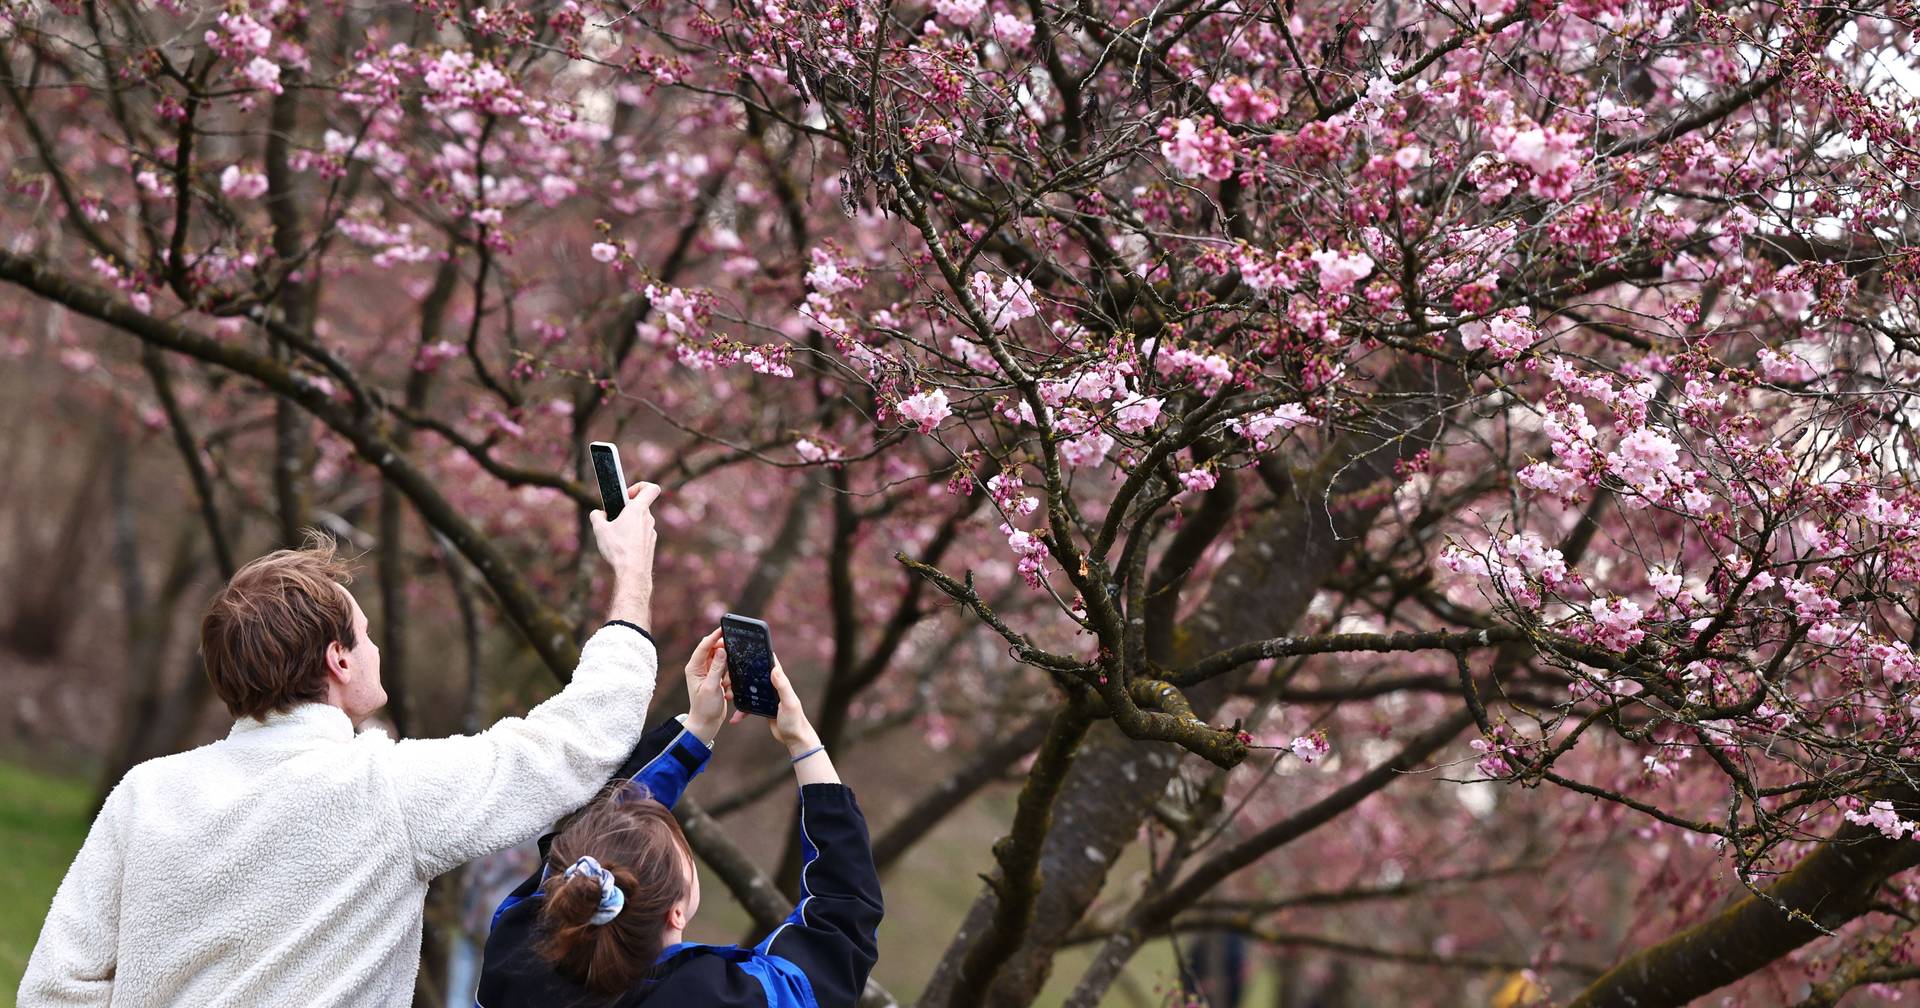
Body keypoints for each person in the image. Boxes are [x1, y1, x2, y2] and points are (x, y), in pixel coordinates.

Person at [20, 481, 687, 1007]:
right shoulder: (390, 791)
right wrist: (632, 573)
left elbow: (56, 989)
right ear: (338, 661)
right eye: (364, 636)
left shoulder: (145, 794)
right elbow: (578, 740)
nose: (374, 648)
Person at [476, 653, 882, 1008]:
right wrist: (802, 741)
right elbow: (840, 925)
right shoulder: (712, 997)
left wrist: (697, 728)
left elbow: (597, 828)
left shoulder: (517, 953)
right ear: (676, 911)